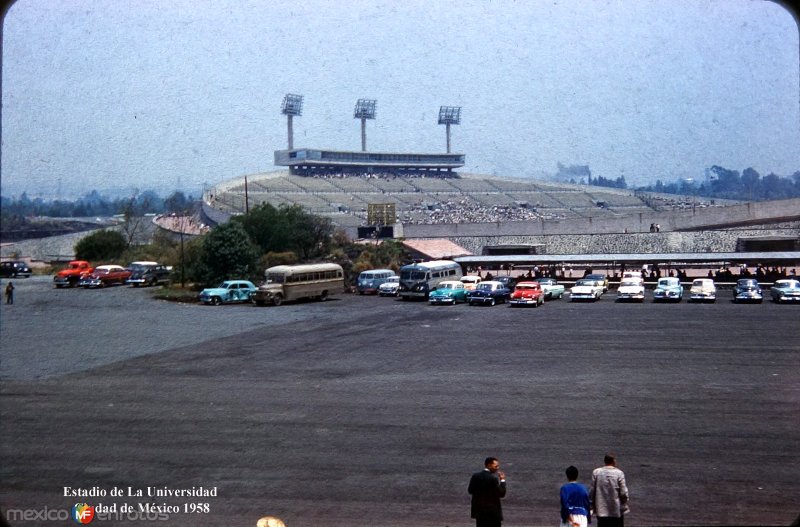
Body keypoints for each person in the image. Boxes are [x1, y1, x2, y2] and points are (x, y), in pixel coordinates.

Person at [591, 453, 629, 527]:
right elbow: (623, 492)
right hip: (616, 510)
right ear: (613, 461)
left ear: (605, 461)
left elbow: (592, 490)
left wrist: (591, 504)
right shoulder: (619, 473)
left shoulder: (596, 472)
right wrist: (625, 501)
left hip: (601, 510)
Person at [468, 456, 507, 527]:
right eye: (496, 466)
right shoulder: (493, 479)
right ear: (489, 465)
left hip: (479, 512)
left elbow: (470, 490)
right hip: (492, 513)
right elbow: (501, 493)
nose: (497, 468)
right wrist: (502, 481)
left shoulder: (475, 476)